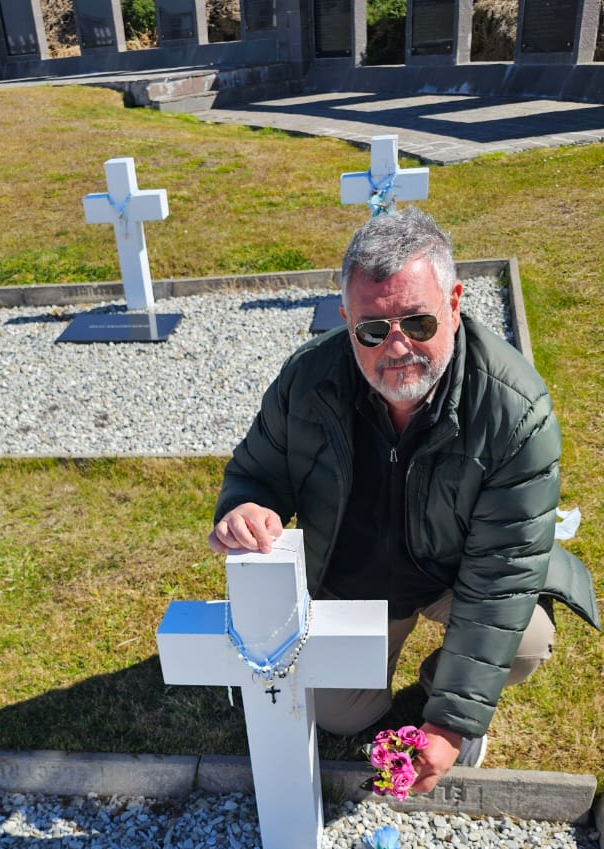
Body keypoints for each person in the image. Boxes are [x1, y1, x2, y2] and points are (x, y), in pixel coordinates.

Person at [208, 208, 600, 794]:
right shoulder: (306, 380)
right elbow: (256, 472)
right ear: (346, 320)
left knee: (526, 640)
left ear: (455, 303)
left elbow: (502, 575)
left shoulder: (515, 411)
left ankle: (441, 690)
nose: (397, 347)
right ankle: (387, 677)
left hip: (456, 573)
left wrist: (451, 720)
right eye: (372, 329)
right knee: (341, 715)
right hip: (353, 579)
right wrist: (244, 507)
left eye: (417, 322)